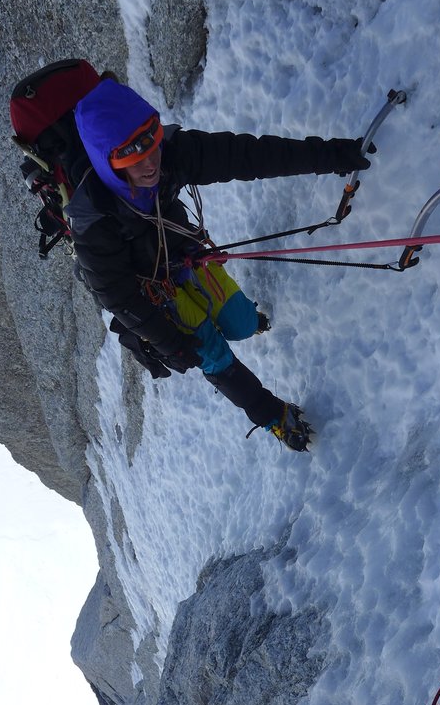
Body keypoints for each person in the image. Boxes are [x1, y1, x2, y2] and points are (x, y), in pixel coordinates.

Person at [67, 78, 372, 451]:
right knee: (209, 350)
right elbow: (120, 298)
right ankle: (270, 414)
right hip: (146, 292)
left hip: (181, 252)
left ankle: (247, 321)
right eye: (134, 157)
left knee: (241, 323)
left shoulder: (172, 154)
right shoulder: (93, 225)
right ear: (110, 163)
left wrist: (332, 155)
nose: (151, 164)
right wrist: (172, 345)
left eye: (153, 142)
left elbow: (249, 156)